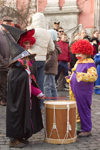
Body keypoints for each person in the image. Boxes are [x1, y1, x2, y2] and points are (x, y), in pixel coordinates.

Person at [5, 32, 44, 148]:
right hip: (16, 101)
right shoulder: (15, 70)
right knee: (16, 117)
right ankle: (13, 140)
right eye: (26, 59)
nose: (28, 61)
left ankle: (20, 136)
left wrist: (37, 92)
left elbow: (30, 81)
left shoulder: (23, 68)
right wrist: (26, 74)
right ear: (20, 60)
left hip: (24, 98)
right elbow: (16, 82)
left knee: (23, 116)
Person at [66, 39, 97, 137]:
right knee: (77, 109)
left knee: (83, 108)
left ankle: (86, 129)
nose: (77, 55)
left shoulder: (89, 63)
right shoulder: (79, 62)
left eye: (80, 53)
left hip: (83, 91)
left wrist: (81, 76)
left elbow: (93, 76)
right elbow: (75, 73)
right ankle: (78, 128)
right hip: (75, 90)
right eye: (76, 53)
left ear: (86, 52)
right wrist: (70, 78)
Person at [27, 12, 55, 110]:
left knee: (29, 82)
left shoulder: (32, 31)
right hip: (42, 59)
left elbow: (26, 43)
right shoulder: (47, 32)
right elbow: (52, 48)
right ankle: (40, 105)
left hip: (32, 59)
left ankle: (30, 104)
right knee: (40, 82)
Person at [0, 16, 14, 106]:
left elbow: (14, 45)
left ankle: (4, 98)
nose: (8, 25)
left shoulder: (9, 34)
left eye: (10, 23)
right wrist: (2, 60)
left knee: (6, 82)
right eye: (6, 23)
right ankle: (2, 99)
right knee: (2, 82)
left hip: (9, 63)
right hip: (2, 63)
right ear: (2, 23)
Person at [44, 29, 61, 100]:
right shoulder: (54, 45)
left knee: (47, 87)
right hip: (51, 70)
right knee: (52, 87)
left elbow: (52, 58)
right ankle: (54, 101)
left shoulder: (52, 46)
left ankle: (48, 103)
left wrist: (44, 65)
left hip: (49, 70)